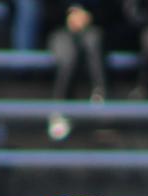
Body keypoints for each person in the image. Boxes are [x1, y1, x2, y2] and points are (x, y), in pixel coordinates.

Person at [43, 0, 114, 142]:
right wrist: (69, 15)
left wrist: (89, 16)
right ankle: (60, 110)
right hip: (59, 31)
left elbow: (113, 10)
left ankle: (100, 97)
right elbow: (43, 10)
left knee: (94, 40)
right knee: (69, 56)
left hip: (92, 28)